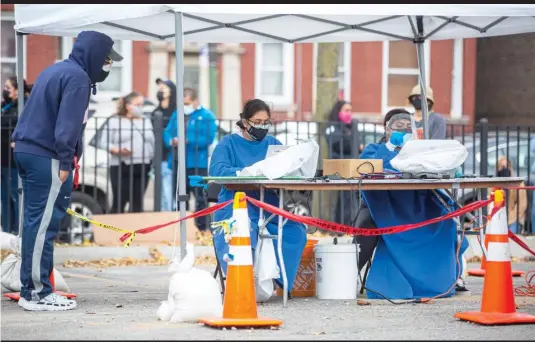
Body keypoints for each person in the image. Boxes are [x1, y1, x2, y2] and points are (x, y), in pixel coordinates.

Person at [11, 30, 123, 311]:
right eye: (106, 59)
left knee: (33, 224)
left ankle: (32, 288)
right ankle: (36, 292)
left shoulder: (57, 70)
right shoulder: (78, 79)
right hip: (46, 154)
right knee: (42, 226)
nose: (107, 65)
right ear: (96, 55)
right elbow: (67, 127)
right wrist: (65, 163)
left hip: (28, 149)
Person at [359, 111, 468, 300]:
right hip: (389, 206)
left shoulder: (421, 150)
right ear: (387, 129)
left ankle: (447, 278)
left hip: (421, 204)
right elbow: (365, 168)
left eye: (408, 127)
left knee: (447, 223)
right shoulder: (373, 149)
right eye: (398, 127)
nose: (404, 130)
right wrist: (390, 147)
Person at [209, 98, 307, 294]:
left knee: (296, 231)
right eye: (257, 122)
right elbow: (217, 170)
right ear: (245, 122)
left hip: (268, 206)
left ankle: (281, 281)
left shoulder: (273, 143)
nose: (262, 127)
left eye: (266, 123)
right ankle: (240, 283)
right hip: (236, 205)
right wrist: (249, 172)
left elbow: (286, 167)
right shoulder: (228, 144)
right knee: (245, 230)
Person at [163, 87, 217, 234]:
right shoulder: (177, 114)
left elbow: (208, 138)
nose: (184, 107)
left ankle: (201, 227)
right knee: (180, 196)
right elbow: (167, 131)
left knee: (201, 197)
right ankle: (182, 229)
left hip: (197, 164)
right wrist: (171, 140)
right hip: (178, 162)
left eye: (187, 103)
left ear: (195, 101)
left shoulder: (207, 116)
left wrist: (188, 140)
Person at [98, 92, 155, 213]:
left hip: (143, 165)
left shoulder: (146, 121)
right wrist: (116, 150)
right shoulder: (115, 121)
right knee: (120, 201)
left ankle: (134, 230)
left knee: (137, 203)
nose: (141, 107)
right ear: (128, 105)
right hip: (121, 165)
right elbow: (103, 142)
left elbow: (152, 142)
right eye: (138, 104)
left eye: (142, 104)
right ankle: (115, 229)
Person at [1, 76, 30, 234]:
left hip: (14, 160)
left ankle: (18, 231)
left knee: (15, 196)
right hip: (3, 159)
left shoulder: (24, 105)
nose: (5, 91)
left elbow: (15, 121)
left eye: (8, 88)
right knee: (4, 198)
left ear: (18, 90)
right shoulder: (6, 106)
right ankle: (6, 231)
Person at [324, 100, 358, 227]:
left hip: (351, 167)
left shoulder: (351, 126)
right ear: (338, 112)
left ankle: (347, 224)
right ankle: (342, 224)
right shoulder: (333, 126)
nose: (349, 113)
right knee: (342, 200)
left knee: (349, 199)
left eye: (350, 110)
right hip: (338, 167)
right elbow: (338, 143)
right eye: (346, 110)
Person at [151, 79, 177, 211]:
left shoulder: (176, 111)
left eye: (164, 88)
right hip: (159, 156)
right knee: (162, 191)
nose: (161, 90)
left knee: (169, 190)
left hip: (172, 157)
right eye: (159, 88)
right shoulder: (155, 112)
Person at [495, 156, 527, 234]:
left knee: (512, 233)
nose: (504, 169)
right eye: (502, 167)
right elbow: (489, 202)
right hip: (497, 217)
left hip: (514, 218)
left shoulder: (518, 183)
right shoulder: (493, 184)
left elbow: (522, 205)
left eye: (506, 167)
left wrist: (509, 218)